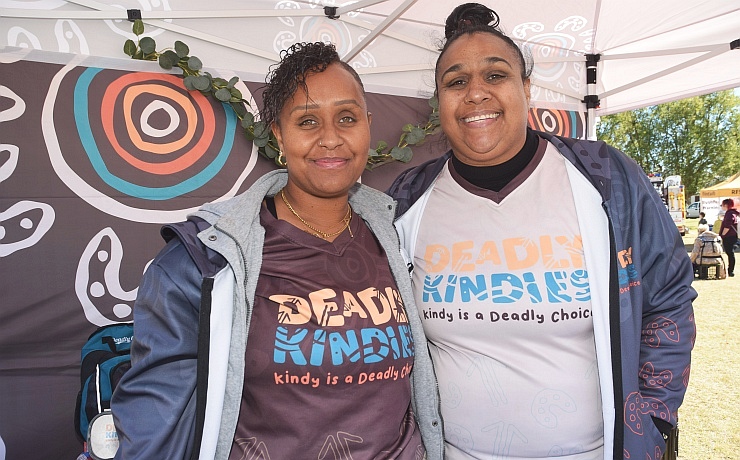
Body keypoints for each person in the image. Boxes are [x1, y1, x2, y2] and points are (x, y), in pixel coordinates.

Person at [387, 3, 697, 460]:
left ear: (526, 87)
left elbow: (668, 298)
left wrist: (650, 417)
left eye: (495, 75)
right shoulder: (407, 198)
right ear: (439, 102)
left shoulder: (605, 177)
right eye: (455, 82)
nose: (475, 93)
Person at [111, 42, 441, 460]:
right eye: (307, 121)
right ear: (279, 135)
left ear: (367, 125)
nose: (331, 138)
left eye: (347, 118)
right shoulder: (205, 261)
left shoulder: (397, 234)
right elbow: (155, 419)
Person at [718, 198, 739, 277]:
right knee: (730, 253)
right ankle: (730, 270)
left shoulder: (729, 214)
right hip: (733, 236)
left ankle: (730, 270)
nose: (721, 207)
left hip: (729, 236)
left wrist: (722, 235)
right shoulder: (734, 213)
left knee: (730, 253)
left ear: (726, 205)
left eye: (722, 205)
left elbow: (727, 226)